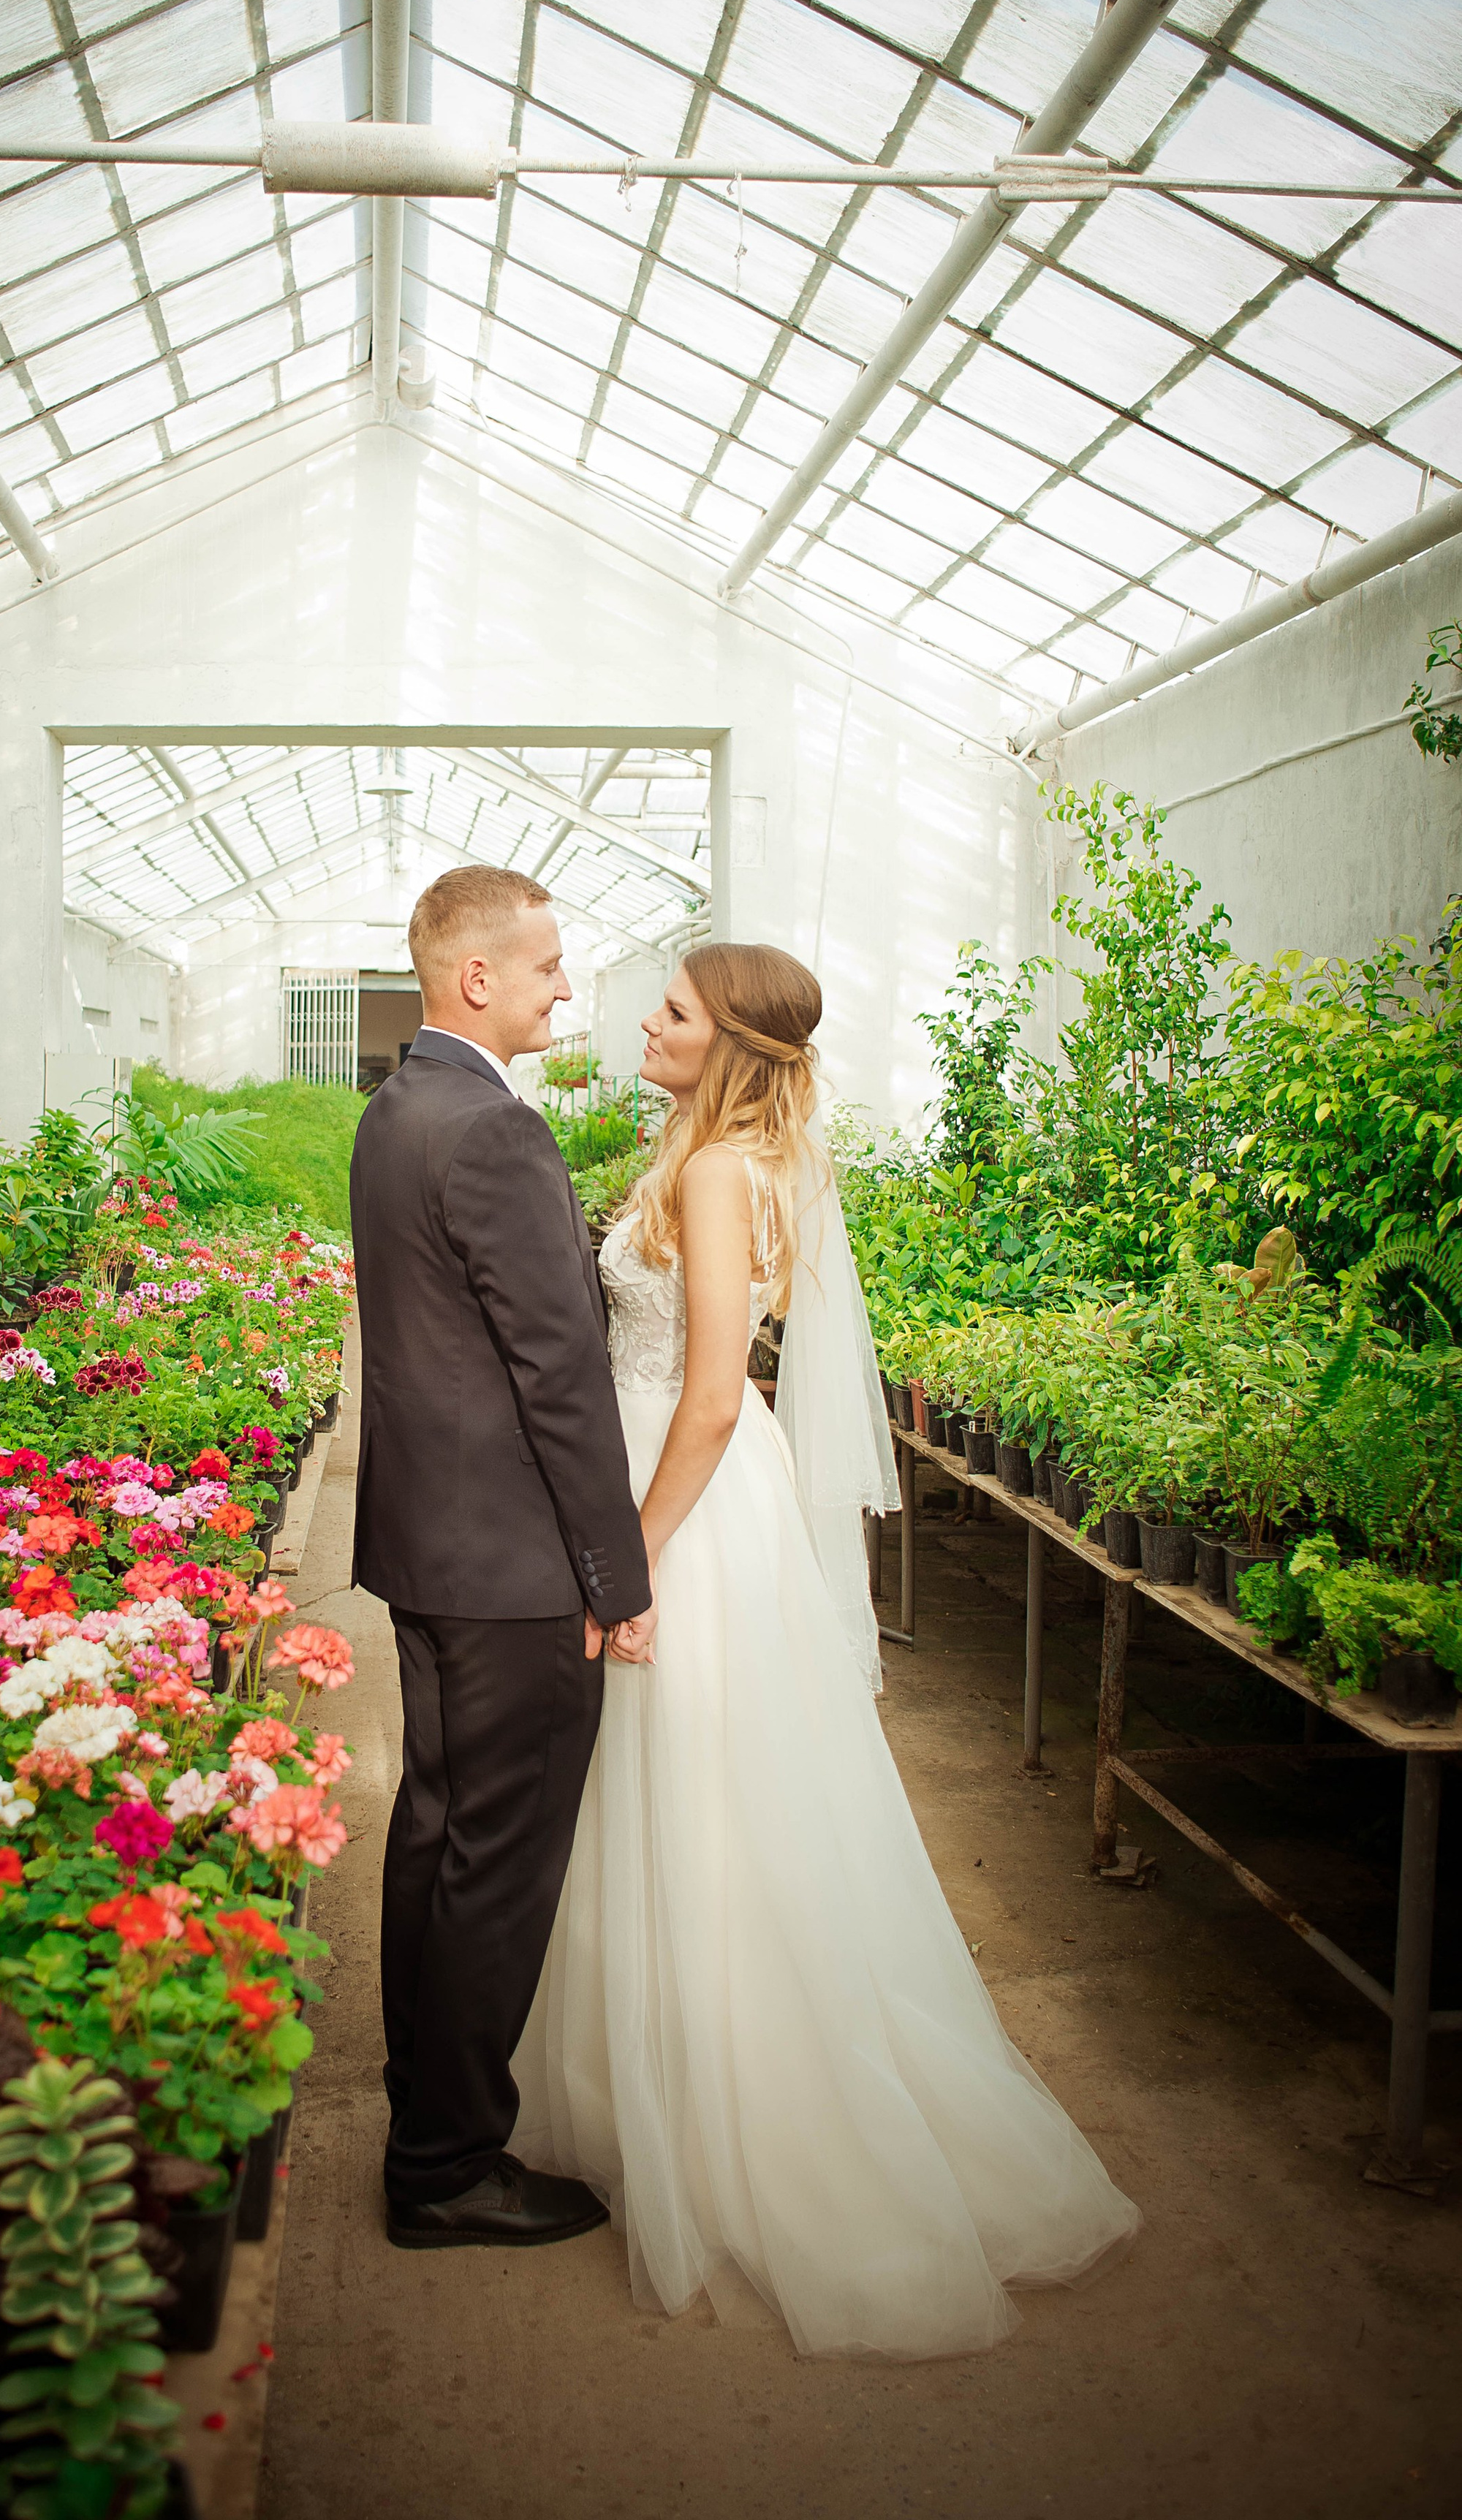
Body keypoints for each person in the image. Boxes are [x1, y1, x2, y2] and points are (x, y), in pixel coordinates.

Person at [512, 942, 1140, 2357]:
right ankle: (650, 2090)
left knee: (704, 1809)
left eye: (669, 1009)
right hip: (662, 1480)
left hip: (685, 1505)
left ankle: (744, 2122)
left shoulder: (722, 1170)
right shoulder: (704, 1148)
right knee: (666, 1803)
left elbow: (720, 1393)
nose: (642, 1020)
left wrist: (627, 1559)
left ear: (725, 1038)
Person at [349, 864, 653, 2250]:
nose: (565, 989)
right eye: (546, 967)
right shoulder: (495, 1133)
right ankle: (449, 2168)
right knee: (498, 1864)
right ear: (477, 978)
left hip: (429, 1548)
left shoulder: (398, 1109)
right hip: (515, 1566)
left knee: (438, 1837)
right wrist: (618, 1573)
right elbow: (563, 1377)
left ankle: (430, 2113)